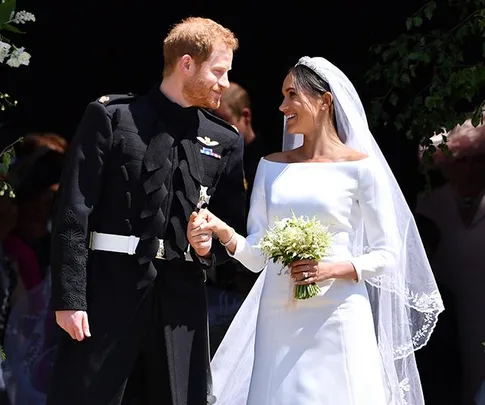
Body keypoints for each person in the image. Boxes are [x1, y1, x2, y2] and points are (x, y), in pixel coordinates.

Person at [187, 56, 444, 405]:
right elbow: (258, 256)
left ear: (324, 101)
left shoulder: (361, 170)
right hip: (278, 312)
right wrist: (223, 232)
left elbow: (388, 254)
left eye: (292, 95)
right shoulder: (269, 167)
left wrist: (332, 269)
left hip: (338, 311)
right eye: (282, 96)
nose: (282, 106)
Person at [46, 17, 246, 405]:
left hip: (181, 303)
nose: (225, 84)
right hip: (107, 293)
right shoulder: (112, 117)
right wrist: (70, 298)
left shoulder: (225, 140)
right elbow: (74, 211)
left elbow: (231, 228)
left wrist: (208, 246)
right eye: (218, 72)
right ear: (186, 64)